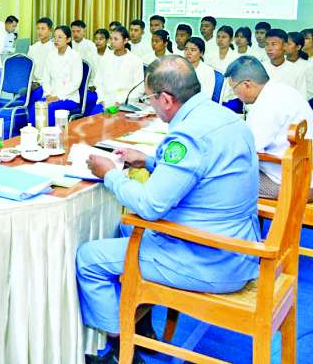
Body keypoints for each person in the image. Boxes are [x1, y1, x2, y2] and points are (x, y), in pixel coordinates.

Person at [77, 55, 259, 364]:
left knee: (89, 258)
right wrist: (148, 162)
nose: (150, 104)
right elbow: (200, 174)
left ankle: (120, 346)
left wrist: (109, 174)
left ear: (165, 99)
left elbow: (151, 205)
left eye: (149, 98)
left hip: (209, 258)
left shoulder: (188, 135)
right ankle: (139, 320)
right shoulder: (224, 117)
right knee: (124, 227)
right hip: (239, 246)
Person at [226, 56, 313, 202]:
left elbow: (248, 149)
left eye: (234, 89)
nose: (235, 95)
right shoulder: (283, 91)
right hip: (311, 178)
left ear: (247, 84)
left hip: (293, 184)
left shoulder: (267, 104)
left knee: (221, 179)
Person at [31, 25, 83, 126]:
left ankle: (48, 134)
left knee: (50, 108)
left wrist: (58, 96)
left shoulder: (75, 56)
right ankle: (36, 133)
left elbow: (75, 83)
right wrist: (48, 94)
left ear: (68, 39)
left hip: (68, 97)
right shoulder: (51, 55)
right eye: (54, 37)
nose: (56, 40)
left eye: (60, 37)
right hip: (51, 95)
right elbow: (45, 78)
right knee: (36, 107)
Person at [94, 26, 144, 110]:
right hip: (105, 100)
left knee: (111, 116)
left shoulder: (135, 60)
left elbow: (139, 88)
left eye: (116, 39)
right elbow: (98, 82)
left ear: (125, 40)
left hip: (126, 103)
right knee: (94, 116)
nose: (112, 42)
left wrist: (122, 102)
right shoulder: (105, 58)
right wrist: (101, 99)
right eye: (111, 39)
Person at [263, 29, 307, 98]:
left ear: (285, 46)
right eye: (266, 44)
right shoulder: (260, 68)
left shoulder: (296, 71)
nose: (269, 48)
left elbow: (302, 98)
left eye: (274, 44)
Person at [284, 31, 313, 102]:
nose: (284, 46)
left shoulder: (307, 66)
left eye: (288, 44)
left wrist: (294, 101)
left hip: (297, 102)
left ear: (298, 47)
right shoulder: (279, 62)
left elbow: (309, 92)